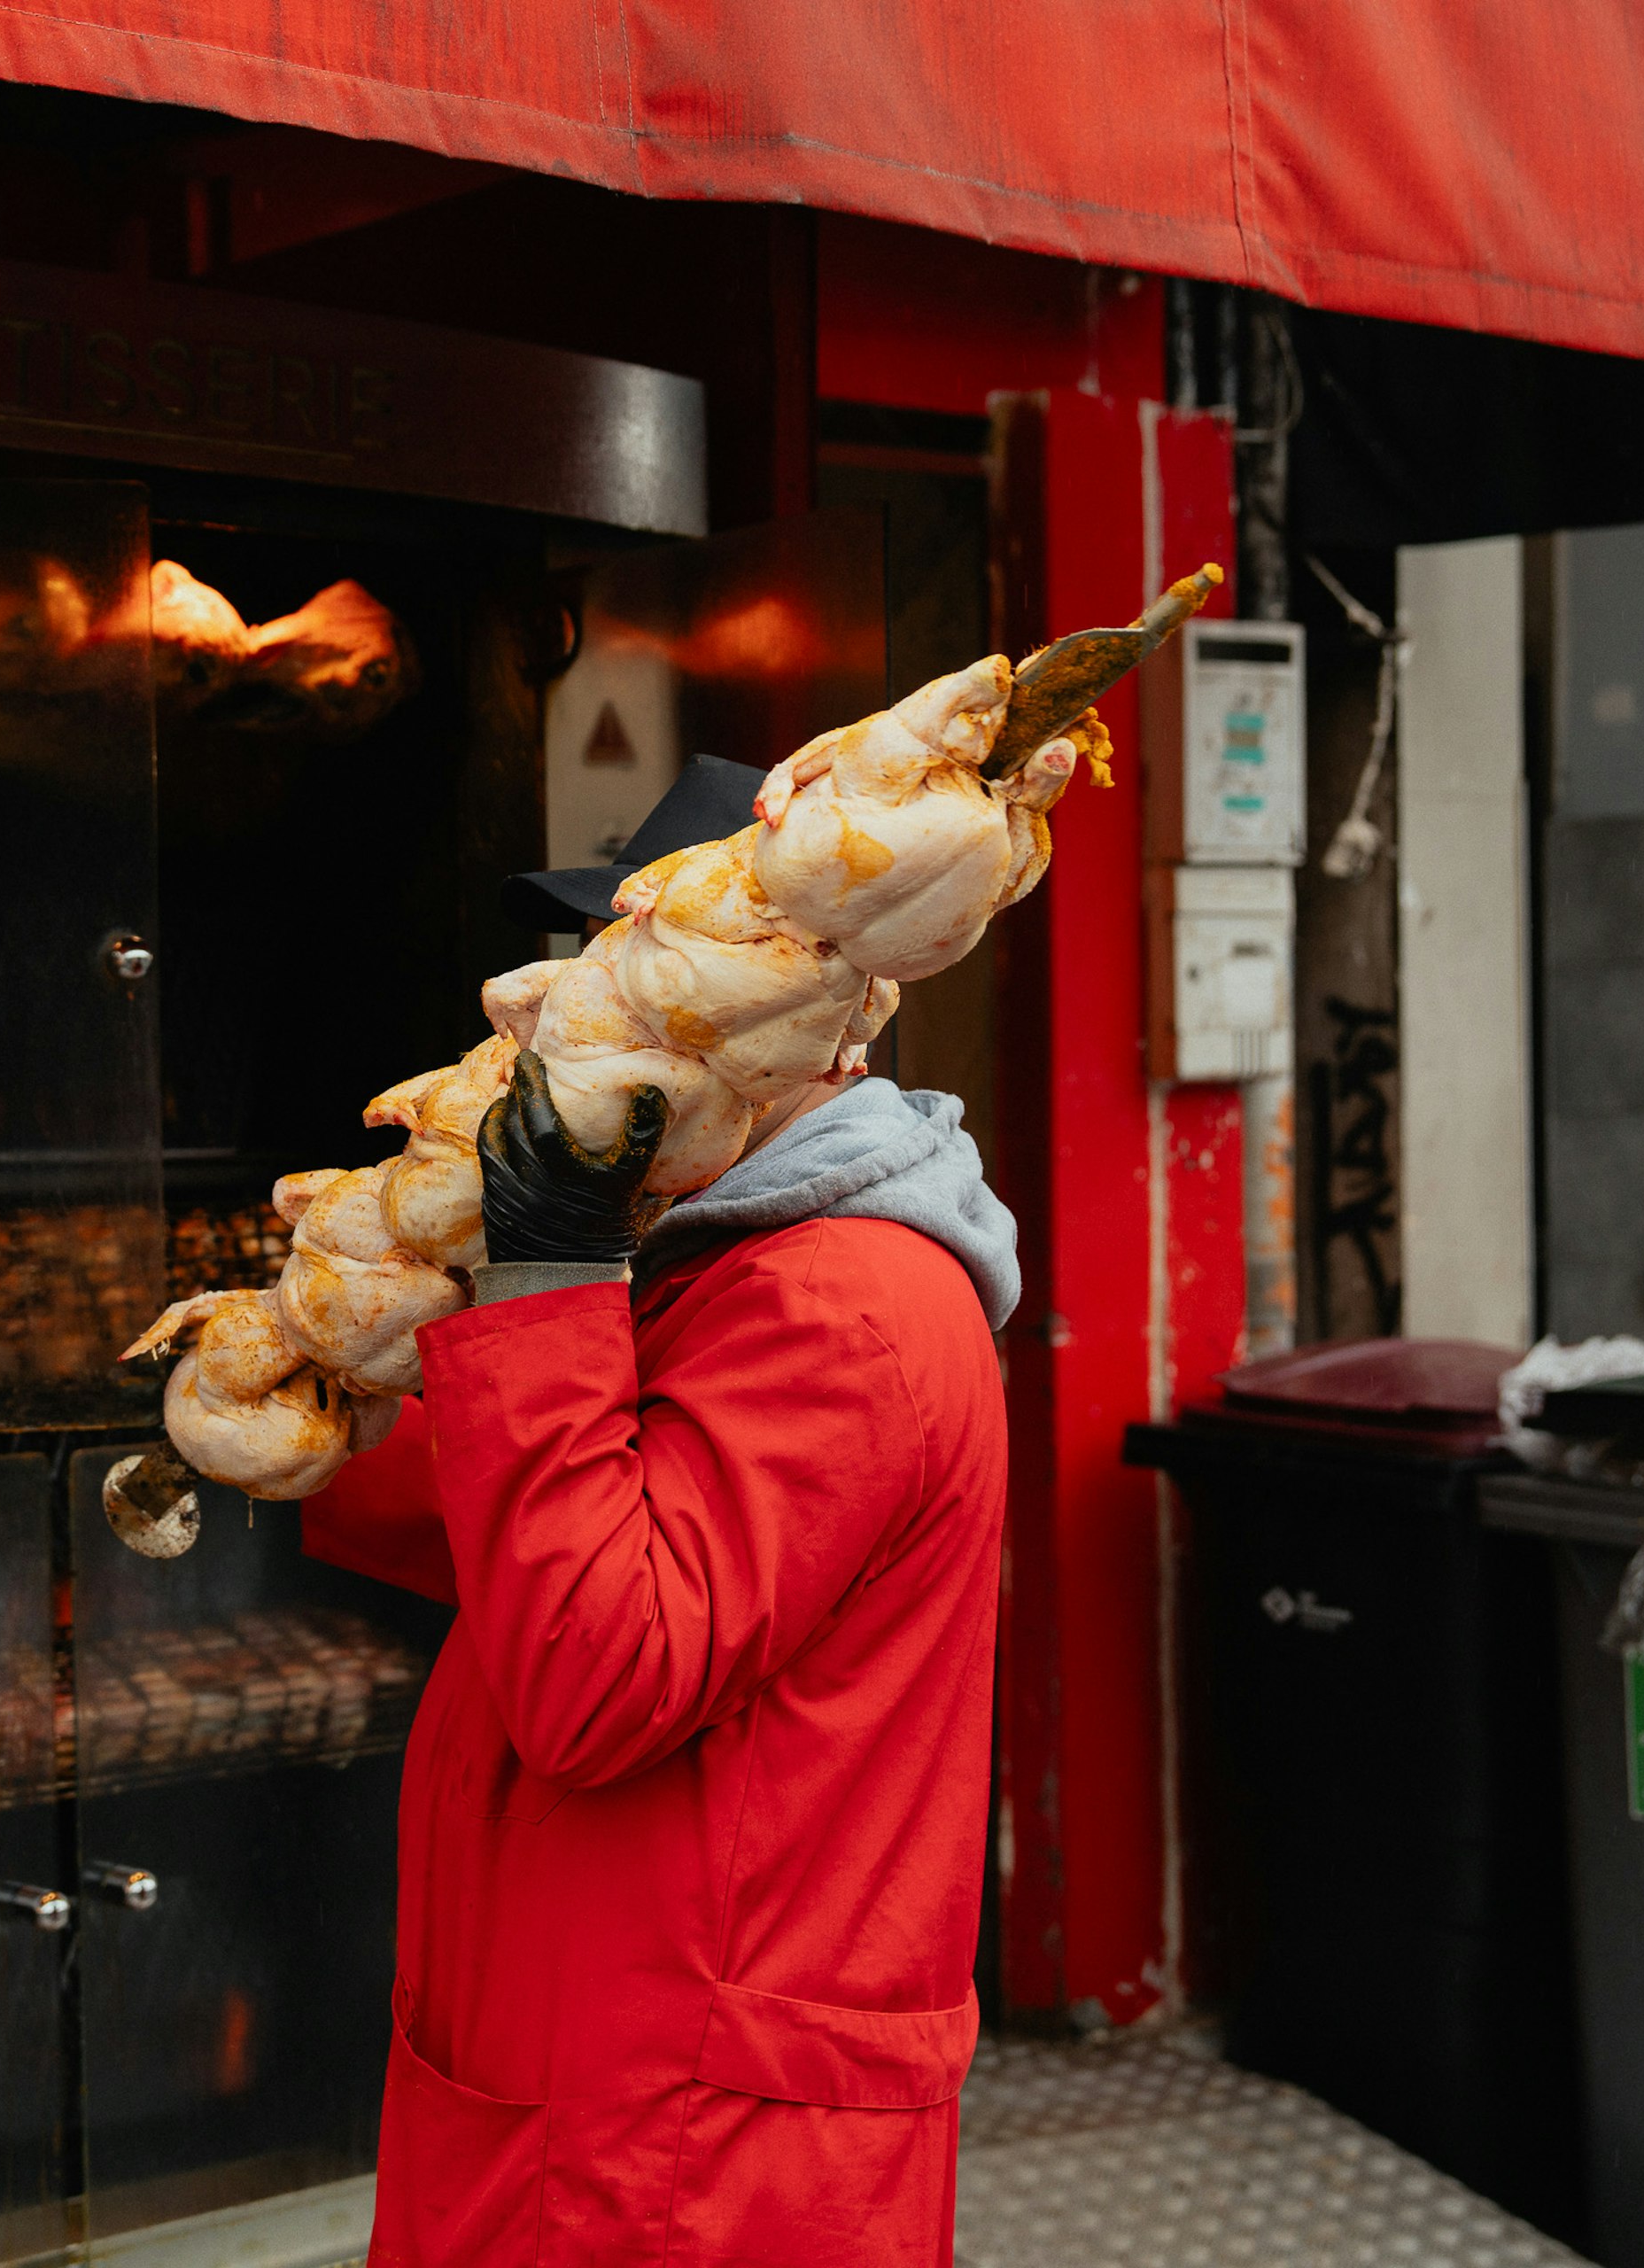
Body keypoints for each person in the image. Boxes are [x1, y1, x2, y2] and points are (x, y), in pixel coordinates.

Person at [299, 758, 1017, 2265]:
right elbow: (549, 1518)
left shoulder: (845, 1304)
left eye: (636, 996)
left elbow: (598, 1668)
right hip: (587, 2070)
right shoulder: (711, 1248)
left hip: (692, 2150)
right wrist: (320, 1390)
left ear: (813, 1024)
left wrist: (546, 1272)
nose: (552, 1028)